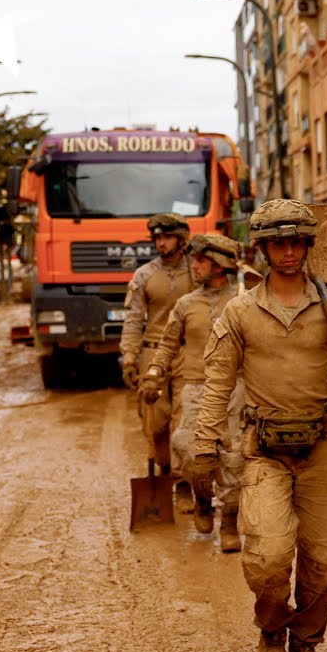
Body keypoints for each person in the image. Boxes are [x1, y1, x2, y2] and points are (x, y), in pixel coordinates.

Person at [193, 199, 327, 652]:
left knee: (322, 559)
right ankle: (271, 633)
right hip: (264, 452)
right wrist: (203, 446)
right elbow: (217, 382)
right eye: (277, 242)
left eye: (296, 241)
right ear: (262, 249)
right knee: (268, 558)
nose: (287, 251)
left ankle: (306, 643)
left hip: (322, 450)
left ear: (307, 245)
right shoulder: (240, 312)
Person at [141, 233, 244, 550]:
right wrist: (154, 375)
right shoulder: (185, 304)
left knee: (234, 456)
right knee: (187, 448)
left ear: (219, 265)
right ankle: (201, 500)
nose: (194, 266)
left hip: (236, 389)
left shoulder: (244, 301)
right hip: (194, 387)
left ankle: (228, 521)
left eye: (200, 260)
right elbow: (168, 345)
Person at [120, 213, 193, 480]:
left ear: (181, 240)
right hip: (152, 355)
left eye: (168, 237)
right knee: (157, 422)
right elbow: (134, 319)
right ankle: (164, 467)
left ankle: (182, 478)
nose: (162, 243)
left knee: (186, 419)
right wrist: (129, 357)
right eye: (158, 238)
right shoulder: (144, 275)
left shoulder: (197, 272)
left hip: (188, 353)